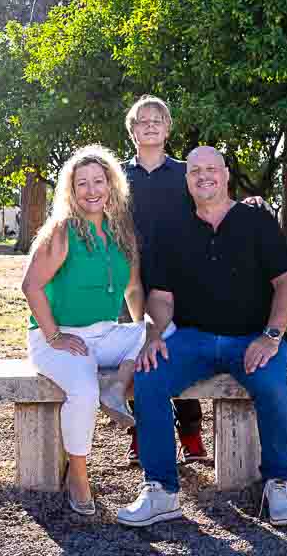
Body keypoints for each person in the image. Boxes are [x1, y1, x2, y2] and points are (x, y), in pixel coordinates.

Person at [118, 146, 287, 527]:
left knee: (272, 386)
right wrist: (153, 334)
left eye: (211, 169)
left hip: (253, 337)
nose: (204, 176)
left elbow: (286, 284)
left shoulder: (258, 221)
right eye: (195, 170)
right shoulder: (173, 229)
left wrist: (271, 336)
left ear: (225, 174)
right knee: (149, 378)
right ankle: (161, 490)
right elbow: (161, 297)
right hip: (193, 339)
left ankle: (279, 483)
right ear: (186, 181)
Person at [21, 144, 146, 516]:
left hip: (106, 333)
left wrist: (139, 337)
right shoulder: (61, 231)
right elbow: (31, 286)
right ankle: (78, 474)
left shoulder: (121, 232)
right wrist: (55, 335)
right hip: (57, 340)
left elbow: (134, 289)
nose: (91, 191)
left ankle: (118, 383)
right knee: (83, 390)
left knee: (161, 332)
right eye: (82, 184)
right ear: (71, 191)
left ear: (111, 185)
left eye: (98, 181)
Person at [120, 96, 209, 465]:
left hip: (179, 276)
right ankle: (142, 434)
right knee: (137, 354)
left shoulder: (186, 172)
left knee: (177, 351)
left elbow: (212, 204)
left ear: (168, 128)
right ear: (133, 130)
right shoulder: (118, 175)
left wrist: (250, 204)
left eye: (158, 120)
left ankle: (190, 434)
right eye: (143, 121)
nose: (151, 125)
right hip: (130, 276)